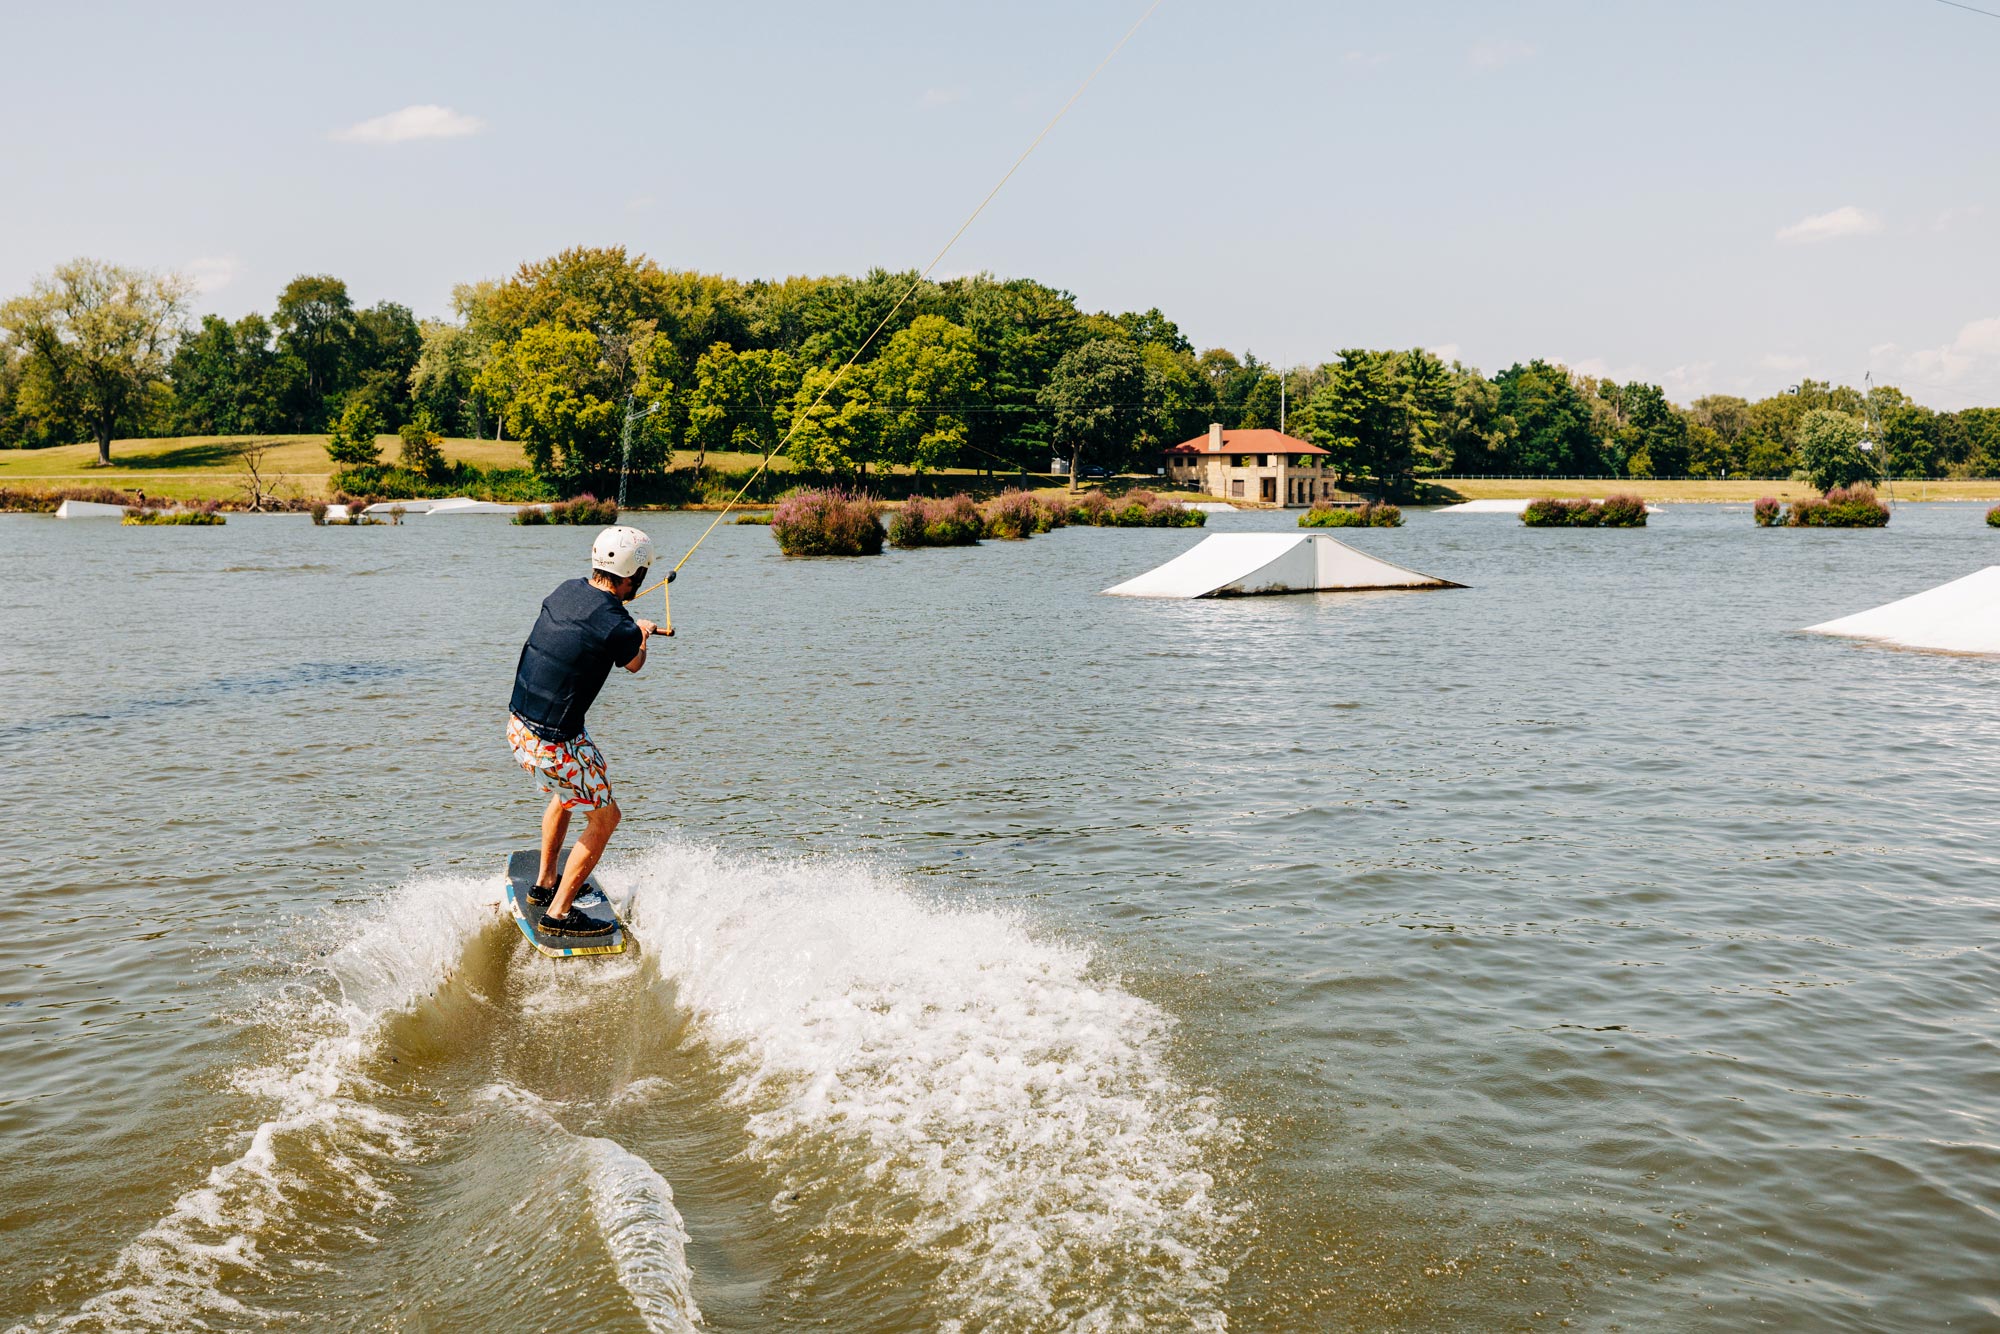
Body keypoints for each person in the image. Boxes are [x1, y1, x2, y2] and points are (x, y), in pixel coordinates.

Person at [505, 525, 669, 936]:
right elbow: (634, 663)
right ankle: (558, 914)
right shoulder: (618, 624)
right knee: (606, 818)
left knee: (566, 794)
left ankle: (546, 883)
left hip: (518, 730)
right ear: (634, 575)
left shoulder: (566, 590)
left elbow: (590, 622)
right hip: (553, 745)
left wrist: (629, 626)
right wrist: (642, 632)